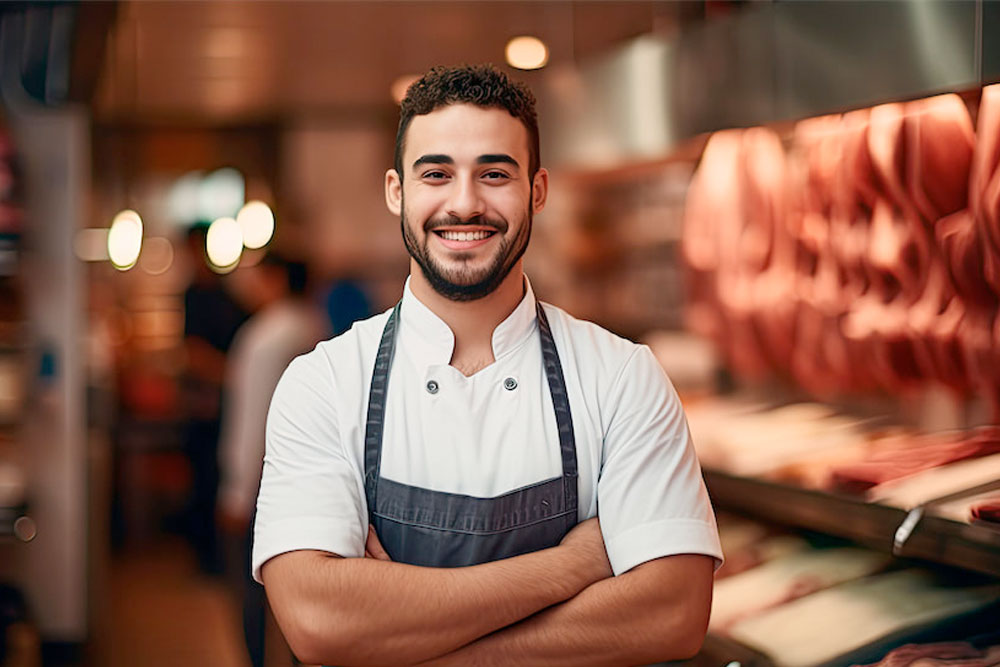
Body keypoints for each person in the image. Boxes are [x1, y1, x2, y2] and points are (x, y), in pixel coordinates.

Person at [253, 64, 723, 666]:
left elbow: (672, 615)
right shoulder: (324, 384)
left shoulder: (622, 376)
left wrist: (404, 641)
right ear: (397, 191)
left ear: (538, 190)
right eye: (437, 174)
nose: (465, 203)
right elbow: (319, 622)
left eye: (495, 174)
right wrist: (571, 565)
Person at [217, 253, 328, 667]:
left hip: (265, 487)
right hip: (317, 487)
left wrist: (236, 492)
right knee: (306, 600)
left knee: (252, 598)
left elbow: (253, 420)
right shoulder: (317, 326)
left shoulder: (265, 337)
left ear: (277, 279)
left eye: (258, 276)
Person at [180, 224, 248, 574]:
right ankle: (208, 561)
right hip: (206, 405)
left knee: (215, 477)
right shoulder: (196, 293)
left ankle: (218, 560)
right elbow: (192, 354)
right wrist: (234, 375)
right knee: (204, 482)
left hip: (223, 405)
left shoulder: (224, 291)